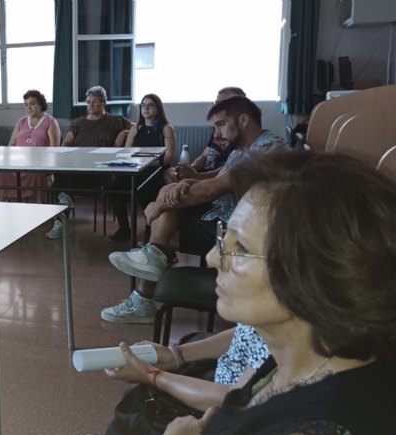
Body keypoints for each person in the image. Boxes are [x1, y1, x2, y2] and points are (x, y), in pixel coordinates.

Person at [137, 151, 396, 435]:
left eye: (240, 249)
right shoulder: (302, 355)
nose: (214, 258)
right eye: (222, 238)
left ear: (315, 276)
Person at [101, 96, 285, 324]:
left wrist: (158, 206)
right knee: (168, 200)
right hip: (226, 217)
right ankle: (153, 258)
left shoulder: (266, 151)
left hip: (241, 235)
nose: (216, 135)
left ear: (243, 120)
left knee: (164, 224)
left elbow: (212, 189)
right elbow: (220, 176)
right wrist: (188, 181)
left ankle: (144, 293)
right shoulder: (244, 148)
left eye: (220, 125)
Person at [105, 323, 269, 435]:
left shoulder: (286, 341)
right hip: (218, 383)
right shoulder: (275, 314)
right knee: (133, 406)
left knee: (129, 431)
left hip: (228, 419)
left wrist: (152, 375)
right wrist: (176, 354)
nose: (219, 279)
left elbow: (234, 398)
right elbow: (246, 333)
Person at [46, 85, 133, 239]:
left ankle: (124, 228)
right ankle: (60, 221)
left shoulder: (115, 120)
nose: (91, 105)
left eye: (95, 102)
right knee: (63, 177)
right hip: (79, 170)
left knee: (114, 185)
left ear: (103, 103)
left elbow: (136, 127)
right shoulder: (79, 123)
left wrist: (124, 132)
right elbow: (66, 144)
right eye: (88, 102)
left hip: (103, 171)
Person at [105, 93, 177, 242]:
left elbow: (169, 157)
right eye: (143, 106)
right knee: (113, 187)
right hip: (136, 169)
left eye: (150, 106)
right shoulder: (136, 128)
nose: (146, 109)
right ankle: (124, 227)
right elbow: (127, 152)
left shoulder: (166, 128)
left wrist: (147, 162)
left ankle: (150, 228)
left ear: (158, 108)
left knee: (146, 188)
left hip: (156, 169)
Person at [0, 90, 60, 203]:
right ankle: (1, 210)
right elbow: (11, 144)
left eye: (32, 104)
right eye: (26, 105)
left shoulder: (51, 122)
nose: (29, 107)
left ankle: (41, 213)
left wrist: (50, 172)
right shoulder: (21, 121)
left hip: (40, 165)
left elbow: (54, 150)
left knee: (37, 176)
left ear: (41, 105)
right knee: (2, 176)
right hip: (19, 164)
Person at [171, 86, 247, 183]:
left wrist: (196, 176)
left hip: (212, 181)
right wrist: (191, 169)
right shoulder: (218, 131)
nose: (216, 135)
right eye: (216, 103)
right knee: (168, 173)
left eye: (223, 104)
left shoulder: (240, 137)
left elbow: (228, 171)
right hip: (201, 176)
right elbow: (203, 156)